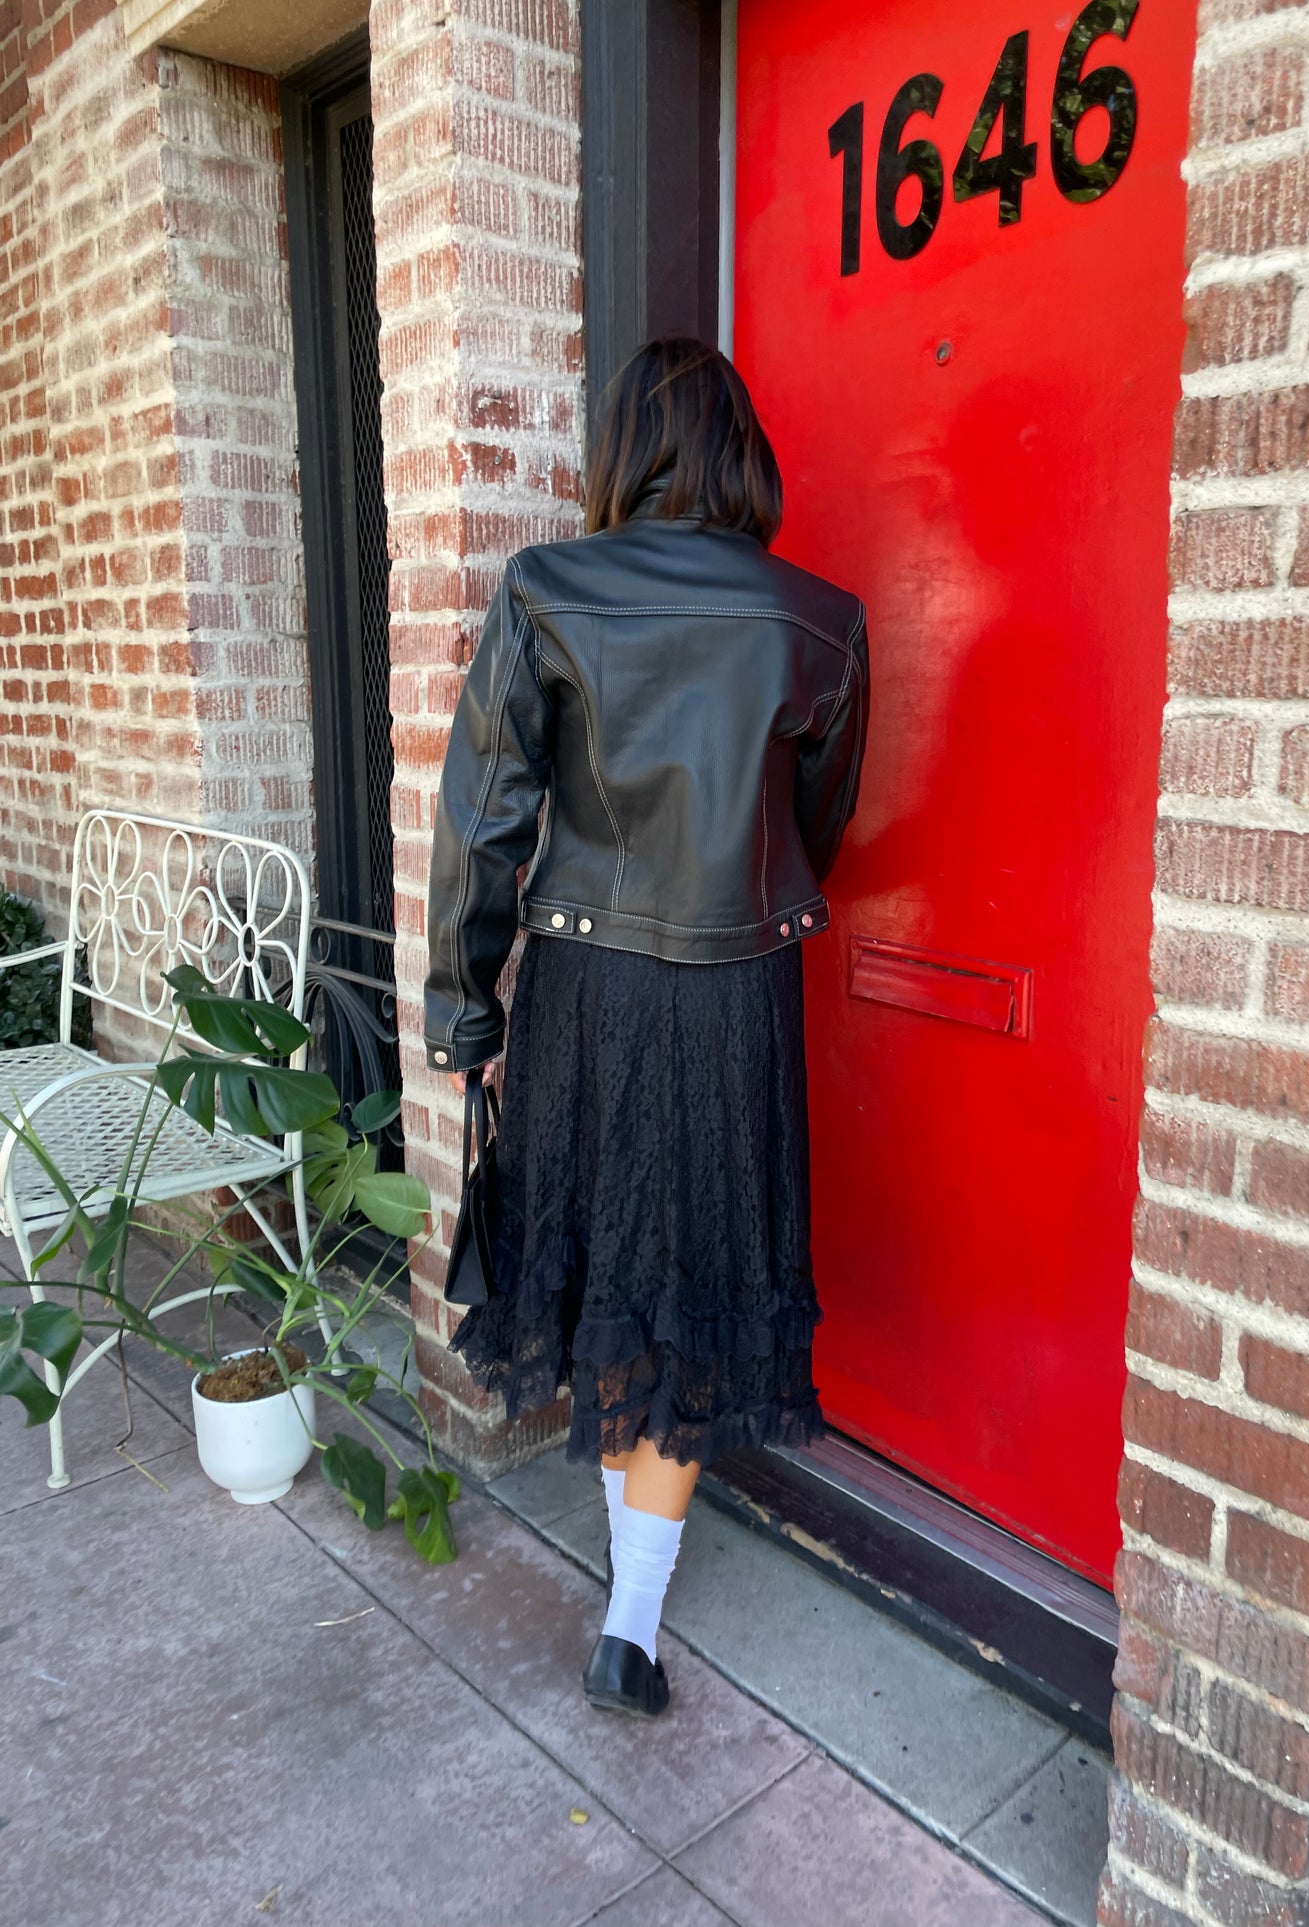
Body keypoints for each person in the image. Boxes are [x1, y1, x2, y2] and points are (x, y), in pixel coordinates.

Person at [423, 336, 869, 1717]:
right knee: (692, 1277)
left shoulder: (546, 591)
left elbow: (481, 826)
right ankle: (628, 1624)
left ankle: (631, 1607)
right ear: (745, 459)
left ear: (620, 453)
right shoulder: (819, 620)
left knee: (613, 1269)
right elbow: (818, 826)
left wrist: (461, 1015)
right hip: (736, 995)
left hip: (587, 990)